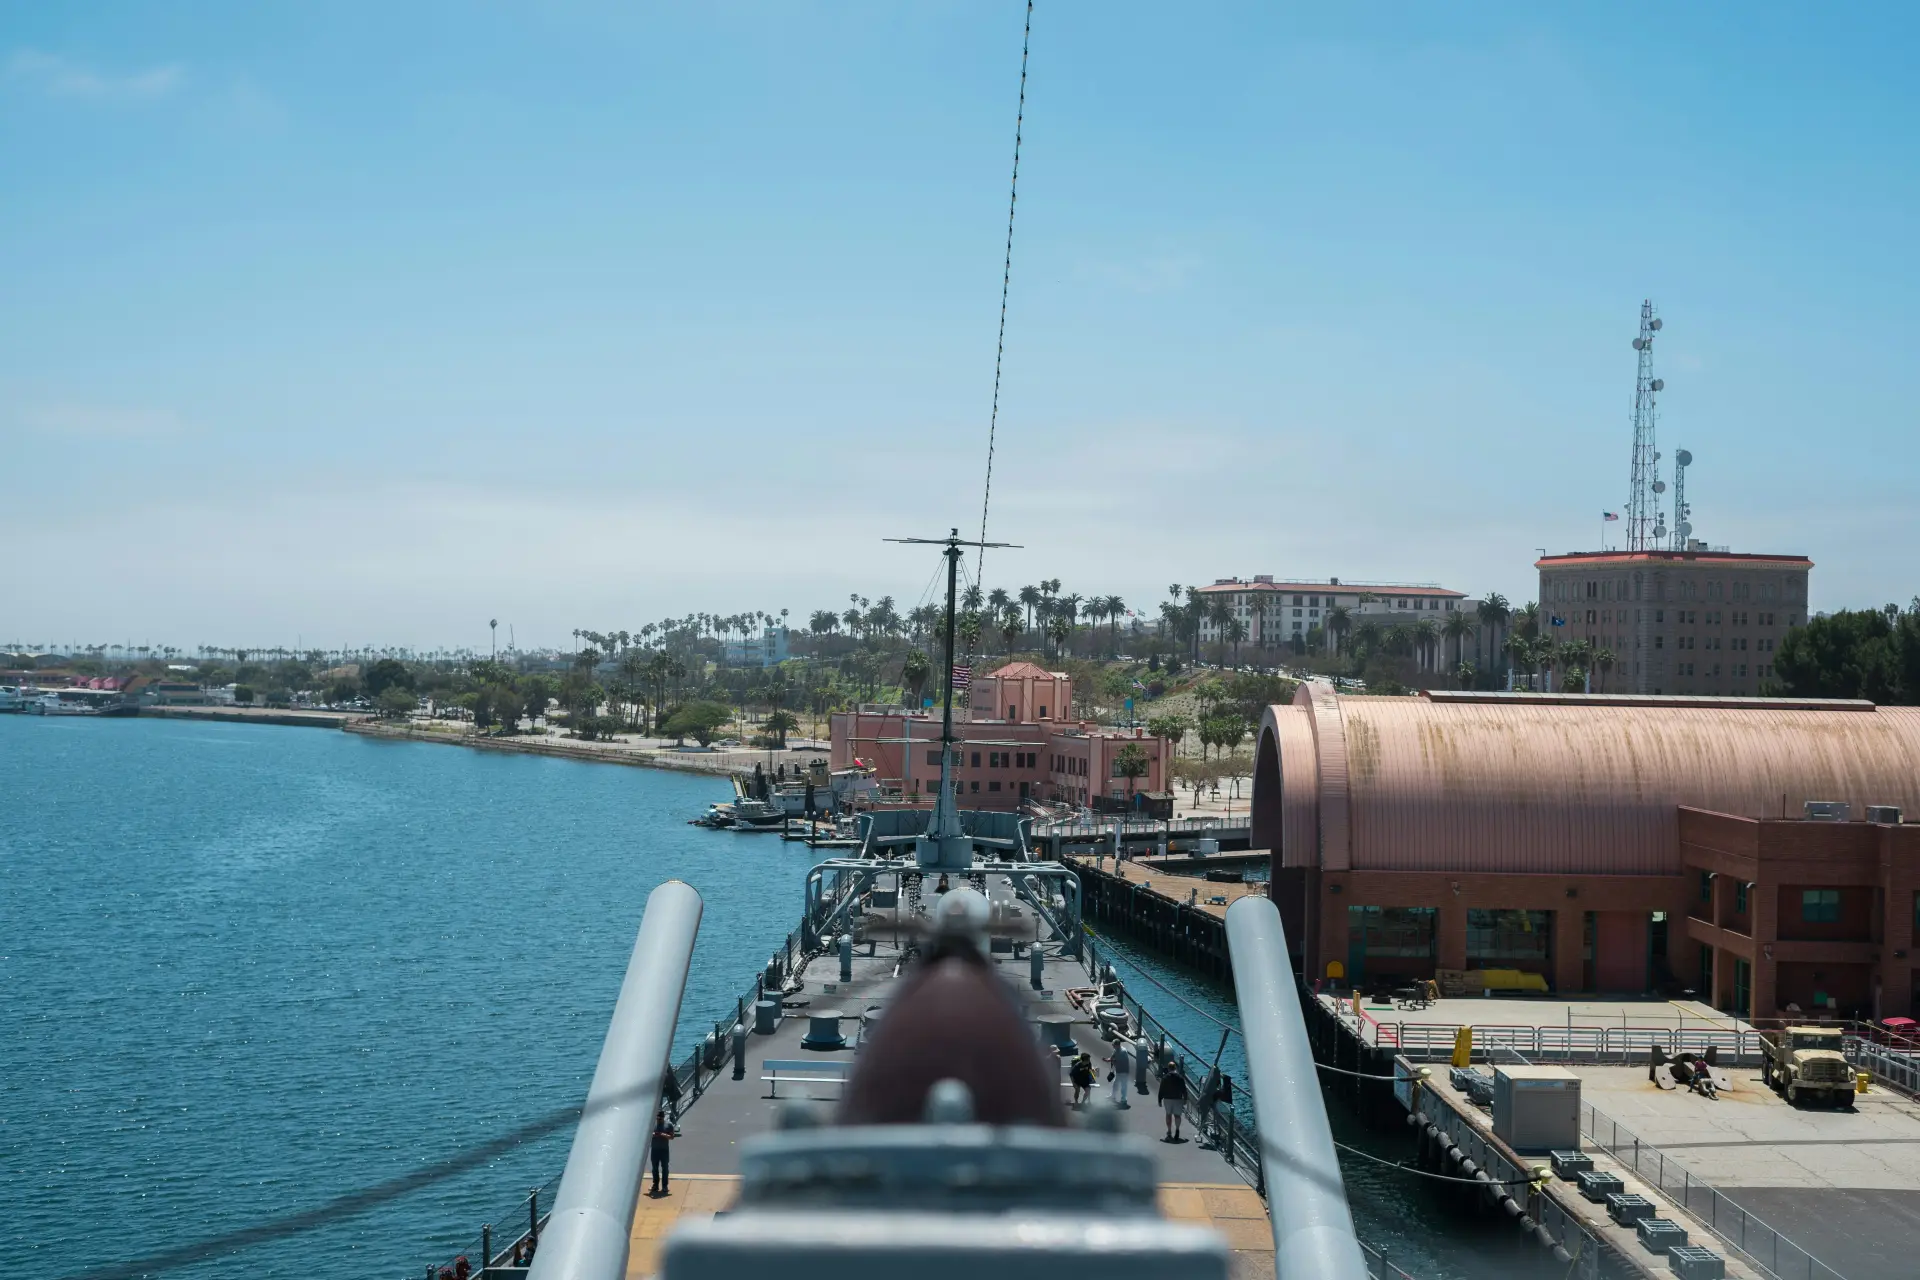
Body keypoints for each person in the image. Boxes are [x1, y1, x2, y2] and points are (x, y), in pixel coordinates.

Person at [1158, 1061, 1189, 1142]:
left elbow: (1161, 1089)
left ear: (1168, 1068)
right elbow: (1184, 1090)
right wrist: (1185, 1099)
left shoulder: (1165, 1078)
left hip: (1167, 1099)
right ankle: (1177, 1129)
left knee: (1168, 1115)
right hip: (1178, 1099)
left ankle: (1169, 1131)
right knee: (1177, 1116)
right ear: (1175, 1068)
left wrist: (1159, 1100)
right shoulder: (1180, 1078)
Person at [650, 1108, 677, 1196]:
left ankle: (664, 1186)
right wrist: (653, 1135)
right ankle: (655, 1185)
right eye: (657, 1118)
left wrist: (662, 1134)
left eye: (660, 1119)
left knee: (665, 1168)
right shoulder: (651, 1124)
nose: (658, 1120)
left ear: (663, 1117)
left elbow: (672, 1137)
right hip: (654, 1149)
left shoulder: (669, 1125)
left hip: (664, 1150)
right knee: (654, 1168)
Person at [1106, 1037, 1133, 1108]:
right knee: (1115, 1083)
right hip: (1119, 1071)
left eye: (1113, 1045)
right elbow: (1112, 1058)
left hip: (1123, 1071)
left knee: (1123, 1086)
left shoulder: (1122, 1051)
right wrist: (1108, 1060)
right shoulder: (1116, 1050)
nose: (1112, 1046)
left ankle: (1124, 1099)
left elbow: (1116, 1061)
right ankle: (1113, 1096)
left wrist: (1110, 1061)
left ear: (1117, 1045)